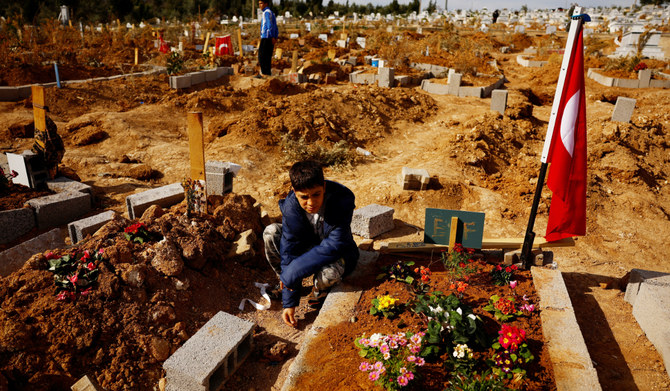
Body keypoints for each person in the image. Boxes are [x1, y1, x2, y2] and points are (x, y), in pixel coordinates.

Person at [263, 161, 359, 327]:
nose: (311, 202)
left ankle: (318, 290)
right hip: (307, 248)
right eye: (304, 197)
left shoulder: (341, 200)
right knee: (271, 233)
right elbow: (288, 248)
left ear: (324, 187)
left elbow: (333, 246)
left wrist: (292, 273)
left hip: (336, 252)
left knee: (328, 275)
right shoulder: (291, 206)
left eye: (316, 194)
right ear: (295, 192)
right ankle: (285, 283)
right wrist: (289, 298)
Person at [257, 0, 278, 78]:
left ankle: (264, 74)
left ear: (266, 4)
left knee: (262, 56)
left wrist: (272, 36)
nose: (260, 5)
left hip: (266, 37)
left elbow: (269, 25)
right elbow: (276, 26)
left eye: (261, 3)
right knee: (267, 57)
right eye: (259, 4)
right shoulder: (271, 13)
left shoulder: (266, 13)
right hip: (270, 37)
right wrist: (275, 37)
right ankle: (267, 74)